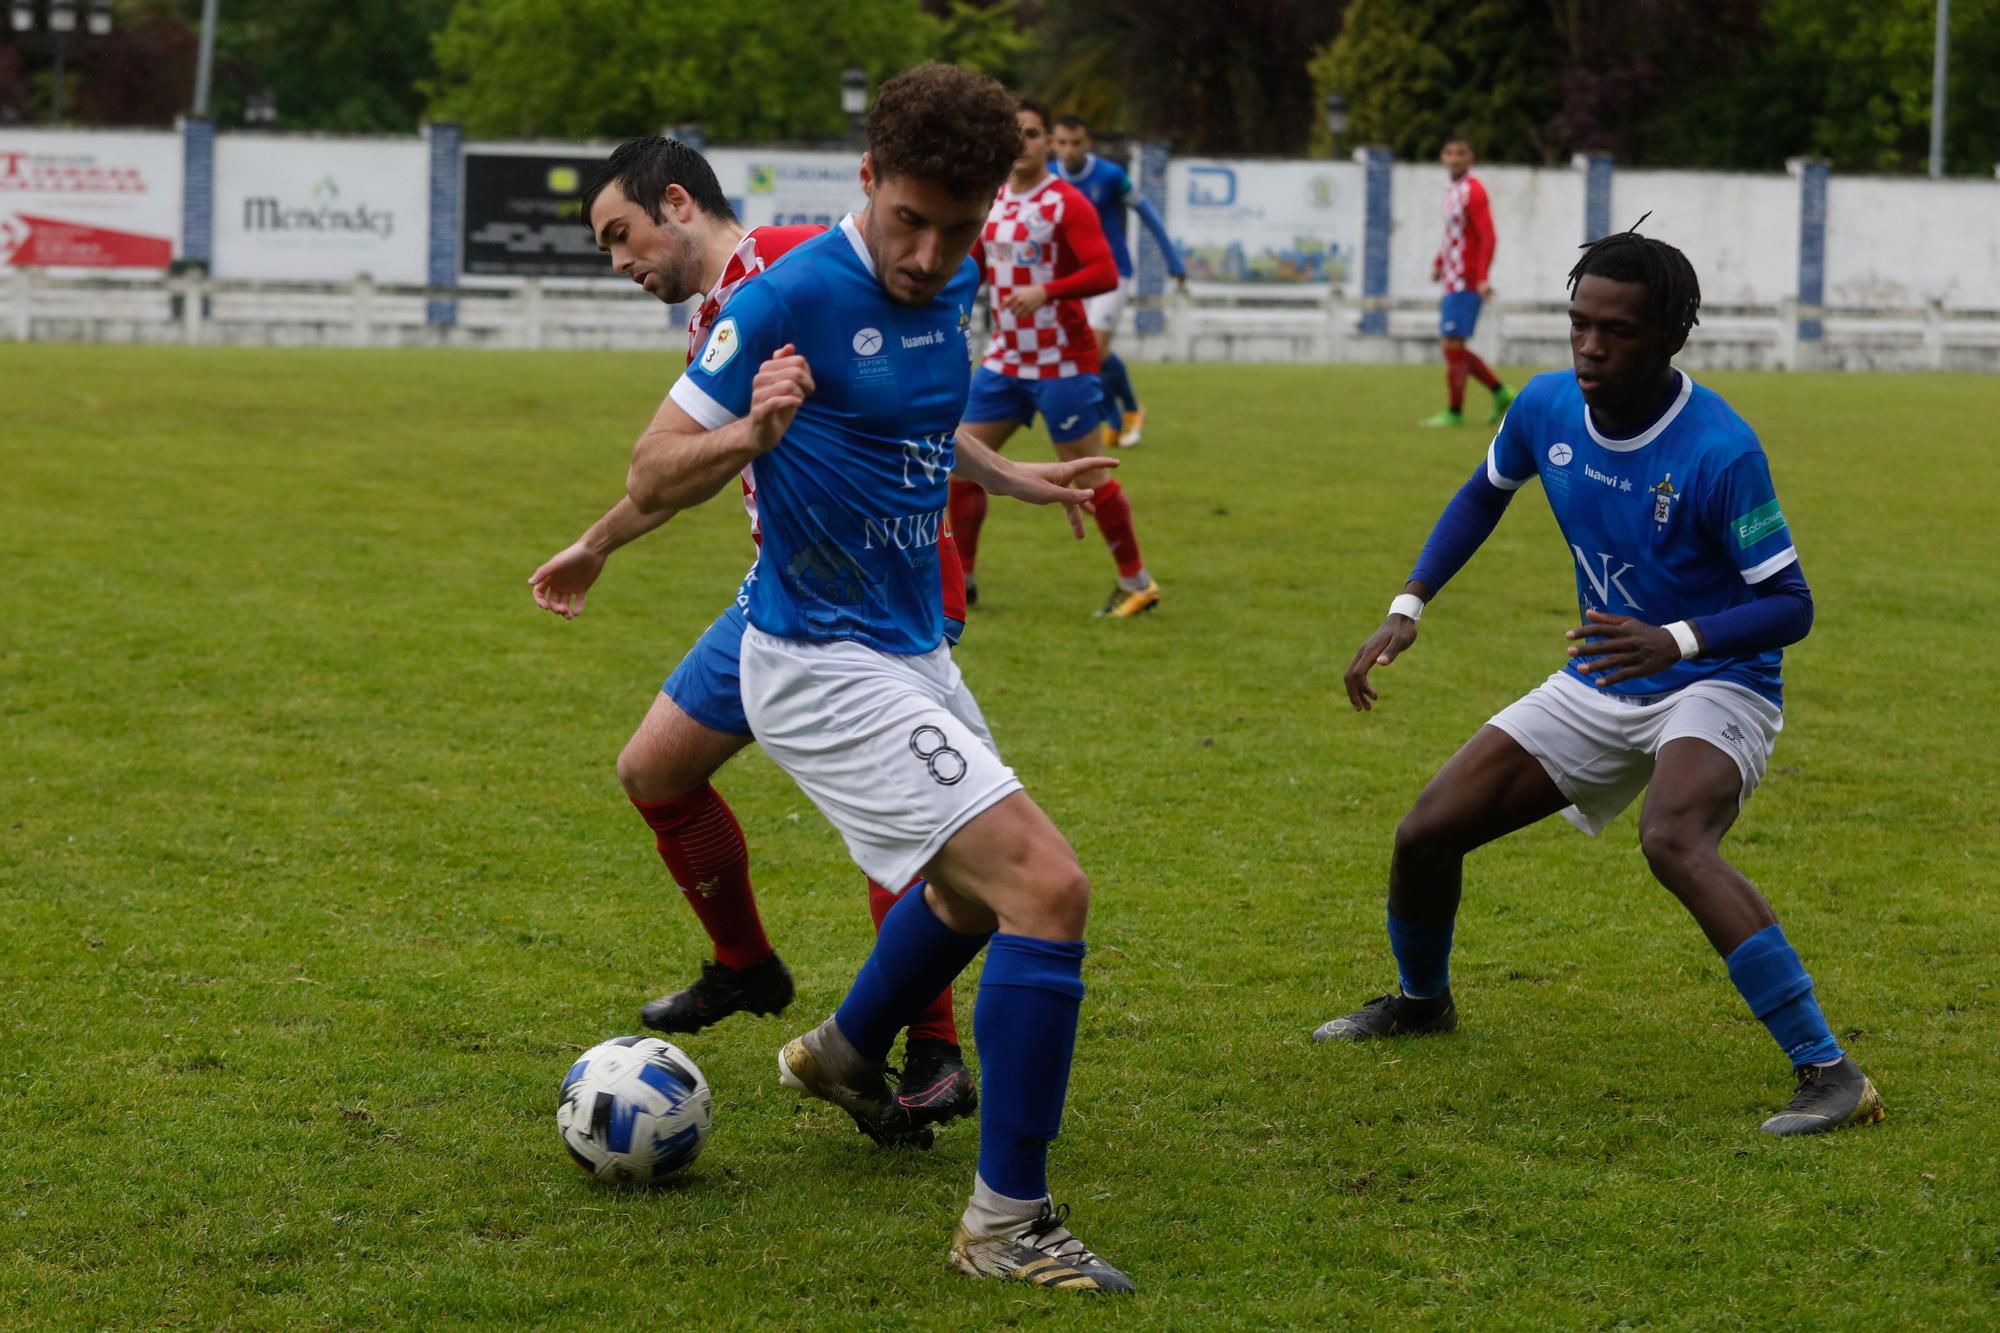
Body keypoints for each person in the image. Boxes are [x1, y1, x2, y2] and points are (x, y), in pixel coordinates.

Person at [625, 63, 1135, 1292]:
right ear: (865, 181)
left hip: (910, 643)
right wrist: (750, 431)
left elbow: (903, 413)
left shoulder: (955, 277)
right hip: (815, 657)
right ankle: (1007, 1224)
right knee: (1045, 891)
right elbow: (651, 471)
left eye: (956, 227)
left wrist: (1003, 477)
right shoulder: (787, 293)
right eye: (908, 219)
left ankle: (848, 1052)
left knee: (965, 900)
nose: (928, 253)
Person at [1318, 225, 1885, 1139]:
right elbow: (1483, 491)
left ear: (1668, 334)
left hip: (1717, 677)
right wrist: (1409, 602)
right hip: (1600, 675)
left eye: (1614, 330)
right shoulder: (1546, 408)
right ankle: (1423, 1002)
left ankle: (1830, 1070)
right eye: (1578, 323)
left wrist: (1677, 638)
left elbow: (1791, 603)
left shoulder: (1721, 450)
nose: (1589, 346)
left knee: (1673, 840)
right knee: (1426, 833)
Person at [527, 135, 972, 1128]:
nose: (618, 262)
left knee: (898, 825)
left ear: (675, 203)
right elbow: (686, 465)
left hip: (876, 596)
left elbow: (907, 394)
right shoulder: (714, 319)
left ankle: (932, 1046)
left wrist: (1002, 475)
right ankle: (746, 966)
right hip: (781, 591)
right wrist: (596, 544)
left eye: (619, 235)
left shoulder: (789, 260)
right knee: (654, 770)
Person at [950, 97, 1159, 620]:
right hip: (1003, 362)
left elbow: (1104, 273)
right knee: (959, 470)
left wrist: (1048, 291)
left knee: (1088, 478)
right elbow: (971, 264)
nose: (1025, 142)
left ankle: (1137, 583)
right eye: (1015, 132)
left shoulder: (1066, 202)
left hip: (1062, 363)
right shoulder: (992, 199)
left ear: (1048, 142)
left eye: (1035, 132)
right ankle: (962, 580)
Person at [1049, 115, 1186, 447]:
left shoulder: (1110, 176)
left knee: (1094, 349)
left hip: (1112, 272)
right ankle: (1117, 414)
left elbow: (1146, 212)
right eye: (1062, 143)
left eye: (1076, 142)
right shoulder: (1049, 177)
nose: (1069, 150)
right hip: (1071, 274)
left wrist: (1173, 260)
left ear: (1088, 143)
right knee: (1085, 352)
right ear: (1054, 144)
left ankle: (1127, 411)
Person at [1420, 134, 1513, 429]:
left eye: (1461, 153)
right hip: (1452, 279)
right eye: (1449, 152)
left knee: (1452, 344)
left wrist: (1483, 276)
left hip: (1467, 280)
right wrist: (1439, 262)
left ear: (1470, 157)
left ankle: (1455, 411)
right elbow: (1455, 235)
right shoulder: (1452, 190)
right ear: (1443, 158)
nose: (1455, 158)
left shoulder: (1473, 191)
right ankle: (1501, 393)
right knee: (1452, 346)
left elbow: (1488, 235)